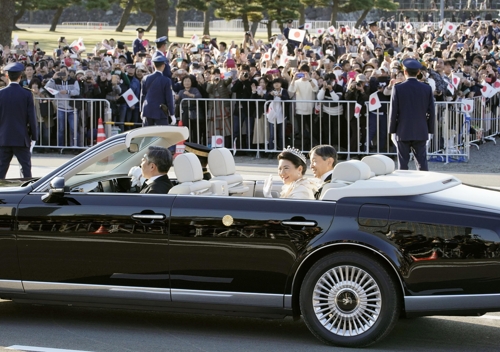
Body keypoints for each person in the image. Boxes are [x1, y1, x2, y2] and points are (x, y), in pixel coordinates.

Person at [389, 59, 435, 171]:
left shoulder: (398, 87)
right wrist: (430, 130)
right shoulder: (426, 88)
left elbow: (393, 111)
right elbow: (432, 111)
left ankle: (404, 185)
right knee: (422, 163)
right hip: (421, 129)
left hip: (402, 129)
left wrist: (392, 130)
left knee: (403, 163)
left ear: (405, 72)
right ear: (419, 72)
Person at [0, 62, 38, 179]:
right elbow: (32, 117)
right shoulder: (26, 94)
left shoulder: (1, 93)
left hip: (4, 137)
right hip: (21, 138)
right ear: (20, 76)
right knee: (25, 169)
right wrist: (34, 136)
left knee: (1, 169)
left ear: (7, 76)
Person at [140, 55, 176, 126]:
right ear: (163, 65)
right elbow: (169, 98)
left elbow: (142, 95)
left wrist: (142, 110)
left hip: (147, 110)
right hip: (160, 111)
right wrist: (172, 114)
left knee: (147, 134)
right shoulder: (166, 80)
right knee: (161, 135)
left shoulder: (145, 78)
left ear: (153, 65)